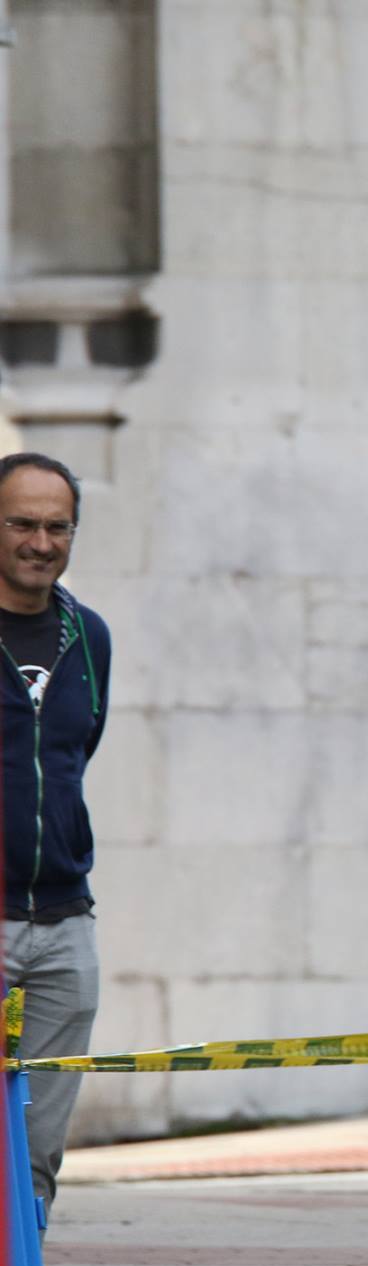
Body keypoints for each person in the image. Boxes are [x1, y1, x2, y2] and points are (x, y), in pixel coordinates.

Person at [0, 452, 109, 1225]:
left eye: (57, 526)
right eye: (22, 523)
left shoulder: (89, 637)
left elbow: (73, 756)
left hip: (65, 924)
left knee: (36, 1156)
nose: (41, 542)